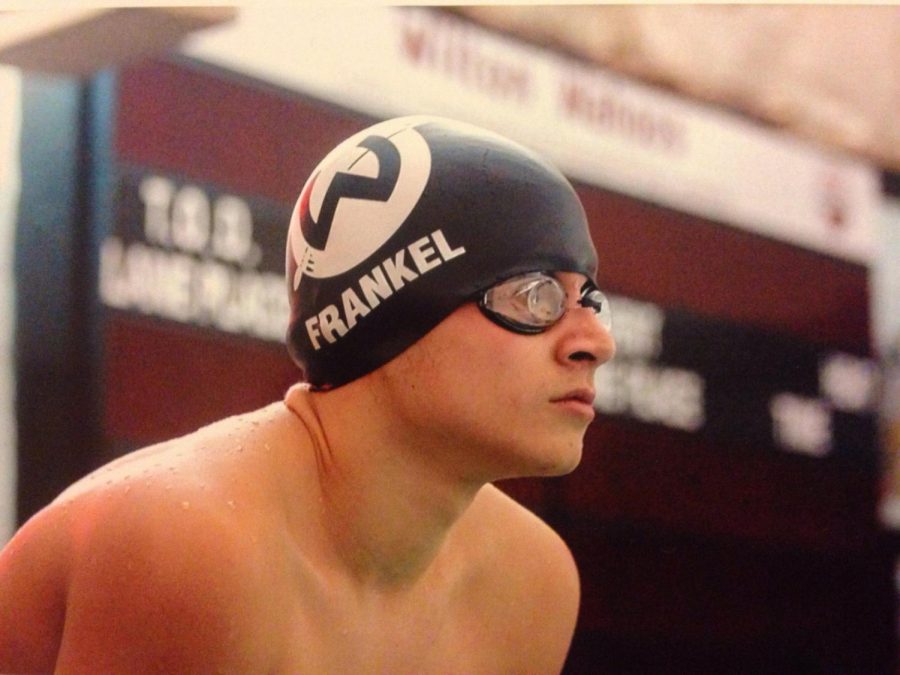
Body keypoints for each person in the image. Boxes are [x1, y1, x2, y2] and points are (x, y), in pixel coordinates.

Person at [0, 115, 615, 673]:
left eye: (588, 299)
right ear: (390, 312)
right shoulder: (196, 548)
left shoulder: (531, 584)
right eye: (535, 296)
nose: (595, 341)